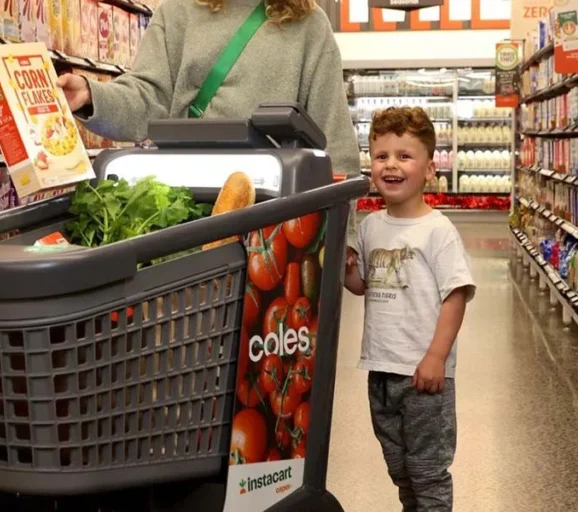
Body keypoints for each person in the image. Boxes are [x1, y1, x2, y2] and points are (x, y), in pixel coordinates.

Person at [343, 106, 475, 512]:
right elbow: (362, 287)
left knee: (428, 469)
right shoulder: (369, 227)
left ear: (430, 169)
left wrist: (436, 357)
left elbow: (456, 294)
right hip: (380, 369)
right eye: (381, 156)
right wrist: (344, 268)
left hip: (423, 377)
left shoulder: (438, 230)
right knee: (399, 466)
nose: (391, 165)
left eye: (404, 156)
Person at [55, 0, 360, 175]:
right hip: (189, 199)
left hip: (273, 213)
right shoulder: (178, 11)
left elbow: (333, 135)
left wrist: (341, 241)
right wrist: (91, 95)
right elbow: (148, 97)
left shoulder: (309, 24)